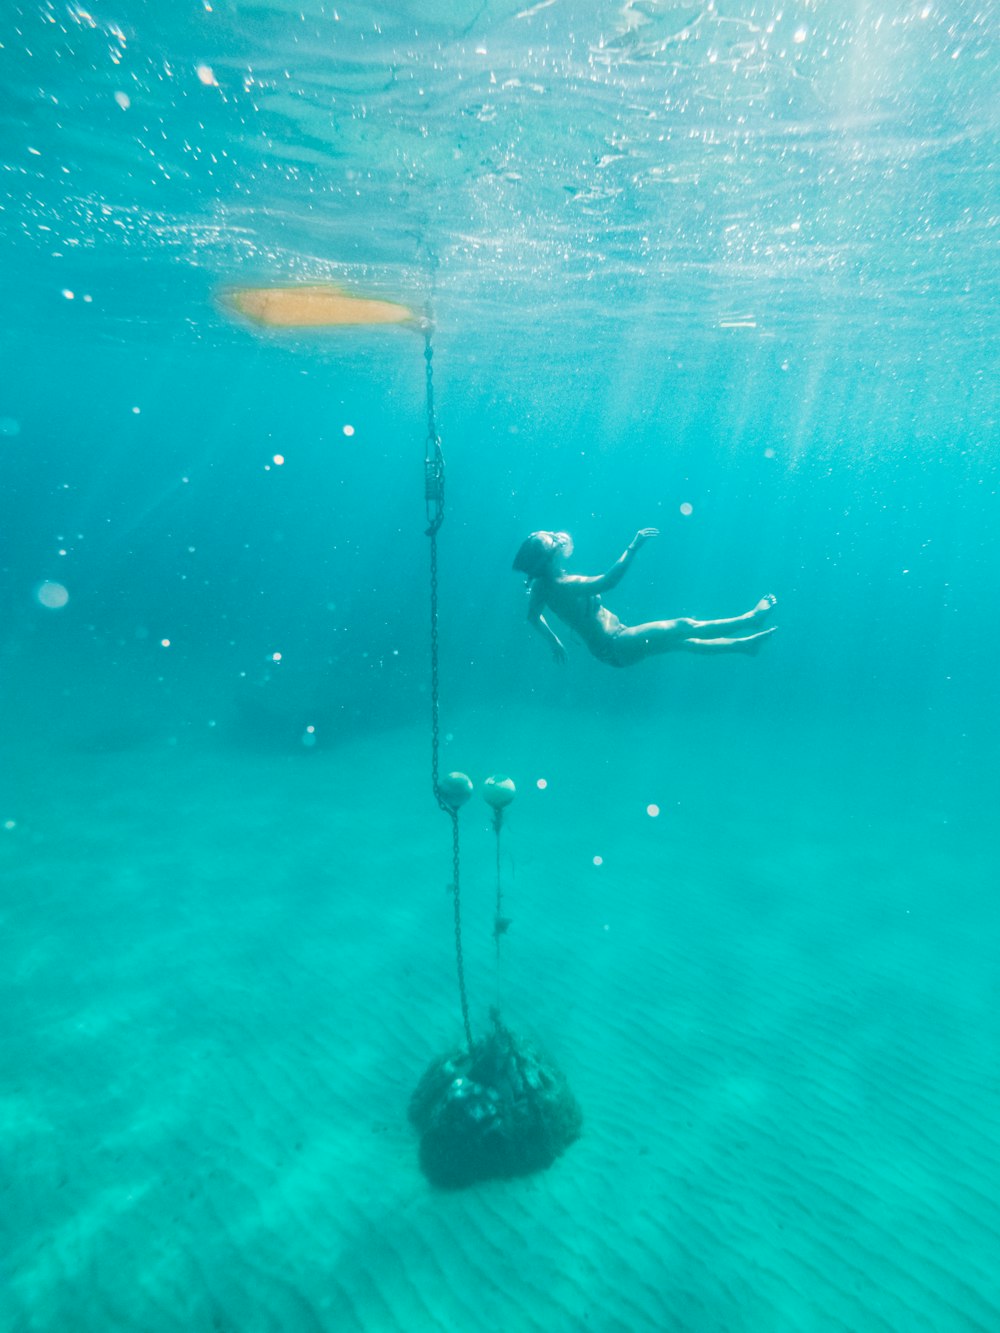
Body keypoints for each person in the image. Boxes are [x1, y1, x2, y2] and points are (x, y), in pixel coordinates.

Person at [511, 528, 777, 668]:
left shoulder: (540, 586)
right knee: (684, 626)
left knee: (685, 642)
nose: (562, 542)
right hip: (615, 644)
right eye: (556, 544)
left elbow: (532, 617)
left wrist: (554, 641)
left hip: (615, 646)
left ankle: (743, 646)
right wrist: (633, 547)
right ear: (552, 557)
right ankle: (751, 619)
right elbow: (608, 581)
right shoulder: (562, 583)